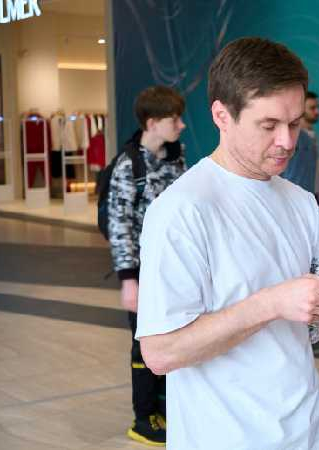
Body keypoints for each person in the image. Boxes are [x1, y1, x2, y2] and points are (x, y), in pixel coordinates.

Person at [135, 37, 319, 450]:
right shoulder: (182, 210)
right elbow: (160, 352)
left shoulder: (301, 203)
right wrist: (270, 304)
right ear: (222, 116)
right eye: (269, 125)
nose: (287, 141)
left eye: (294, 123)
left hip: (309, 433)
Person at [107, 85, 187, 446]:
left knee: (173, 340)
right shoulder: (129, 165)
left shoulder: (175, 158)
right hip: (143, 273)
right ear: (153, 123)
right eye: (174, 119)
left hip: (175, 270)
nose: (181, 125)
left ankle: (167, 410)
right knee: (144, 345)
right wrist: (129, 280)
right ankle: (143, 419)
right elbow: (119, 224)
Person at [281, 90, 319, 200]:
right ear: (300, 109)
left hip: (311, 195)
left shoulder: (312, 137)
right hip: (292, 197)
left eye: (318, 107)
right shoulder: (291, 137)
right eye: (312, 108)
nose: (317, 111)